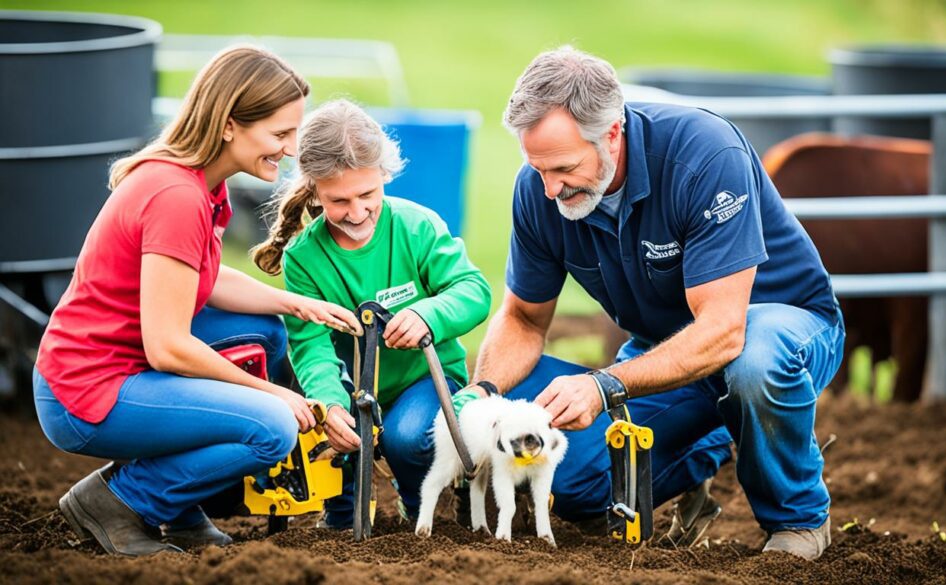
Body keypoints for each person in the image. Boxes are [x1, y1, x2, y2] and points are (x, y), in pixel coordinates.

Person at [462, 47, 845, 560]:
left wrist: (605, 385)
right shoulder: (539, 188)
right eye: (537, 168)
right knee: (578, 485)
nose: (550, 188)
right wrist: (481, 396)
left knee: (753, 363)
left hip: (782, 331)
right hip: (664, 351)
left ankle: (798, 521)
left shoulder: (705, 155)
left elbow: (725, 331)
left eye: (564, 167)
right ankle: (709, 446)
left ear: (612, 134)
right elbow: (524, 318)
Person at [33, 46, 363, 557]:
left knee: (267, 332)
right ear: (230, 124)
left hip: (121, 365)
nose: (293, 149)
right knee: (271, 429)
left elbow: (200, 278)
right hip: (87, 391)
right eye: (280, 134)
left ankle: (178, 507)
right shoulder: (176, 197)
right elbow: (167, 347)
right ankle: (119, 501)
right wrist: (271, 395)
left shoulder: (200, 184)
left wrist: (295, 303)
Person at [252, 99, 491, 529]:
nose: (357, 213)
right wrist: (329, 404)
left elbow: (474, 291)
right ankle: (342, 515)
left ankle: (420, 505)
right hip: (348, 382)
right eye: (338, 201)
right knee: (333, 432)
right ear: (313, 189)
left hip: (422, 379)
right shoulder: (304, 258)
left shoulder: (417, 227)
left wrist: (428, 315)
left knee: (406, 438)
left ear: (385, 174)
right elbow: (310, 346)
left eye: (367, 194)